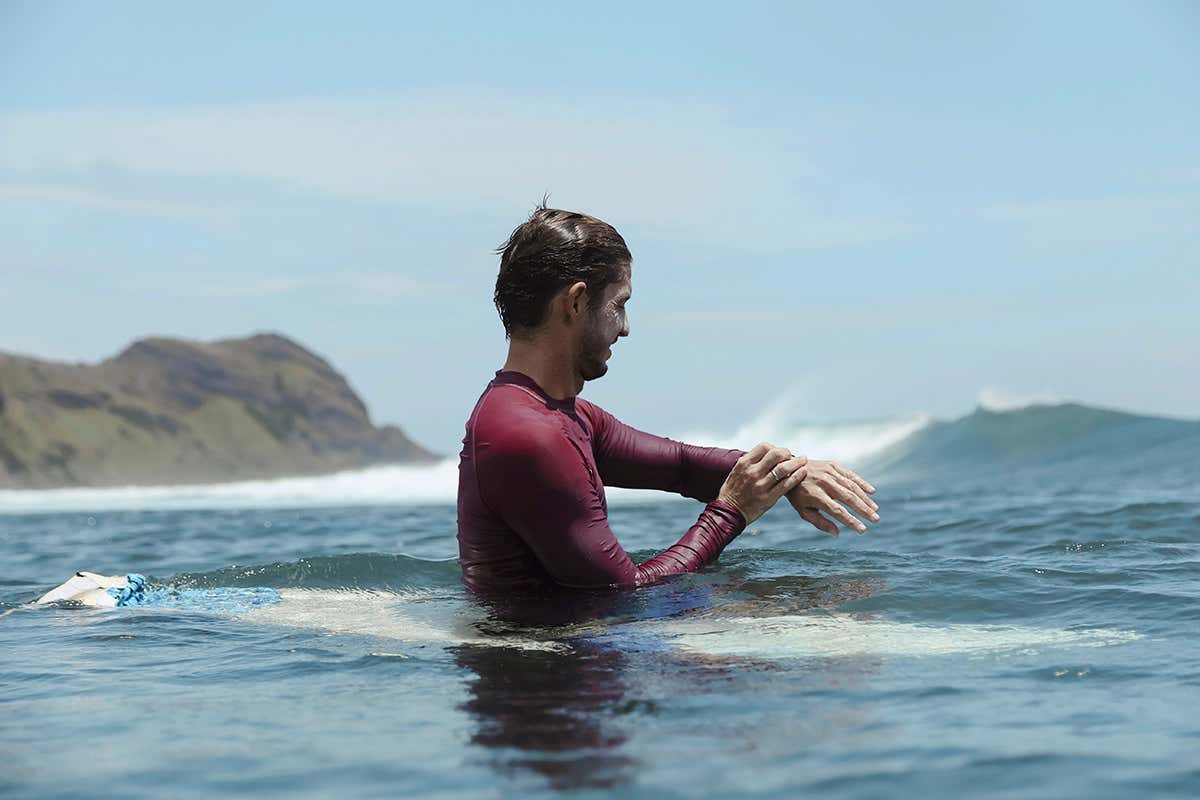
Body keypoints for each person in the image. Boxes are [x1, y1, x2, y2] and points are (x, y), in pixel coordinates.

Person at [456, 205, 879, 595]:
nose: (625, 329)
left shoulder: (563, 416)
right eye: (619, 305)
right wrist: (730, 513)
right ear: (577, 301)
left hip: (576, 653)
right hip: (545, 668)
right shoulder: (530, 433)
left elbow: (678, 465)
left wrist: (790, 474)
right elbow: (623, 594)